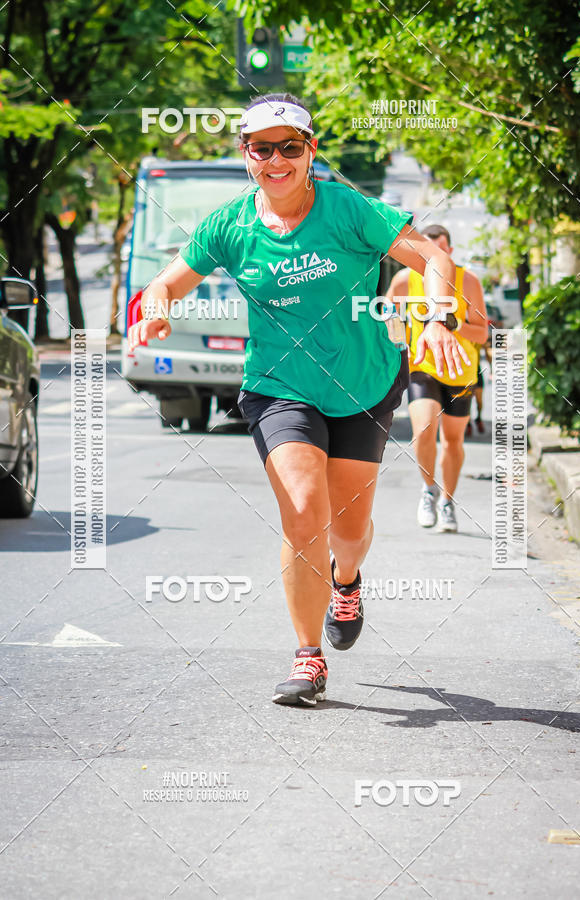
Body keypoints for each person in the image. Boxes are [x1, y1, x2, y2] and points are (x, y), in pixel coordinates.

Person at [128, 93, 470, 706]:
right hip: (279, 387)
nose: (277, 159)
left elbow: (434, 257)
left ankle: (347, 580)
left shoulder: (348, 210)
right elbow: (166, 282)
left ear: (310, 150)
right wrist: (153, 309)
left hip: (362, 384)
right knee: (304, 511)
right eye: (264, 148)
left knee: (350, 530)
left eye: (291, 146)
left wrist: (440, 319)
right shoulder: (228, 224)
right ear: (247, 155)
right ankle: (308, 656)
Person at [386, 224, 488, 532]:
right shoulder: (405, 279)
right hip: (423, 367)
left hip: (460, 370)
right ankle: (428, 490)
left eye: (440, 249)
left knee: (453, 441)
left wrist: (450, 325)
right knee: (424, 429)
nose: (434, 256)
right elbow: (388, 314)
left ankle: (447, 500)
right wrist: (397, 343)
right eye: (427, 250)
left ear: (450, 252)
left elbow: (482, 333)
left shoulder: (468, 282)